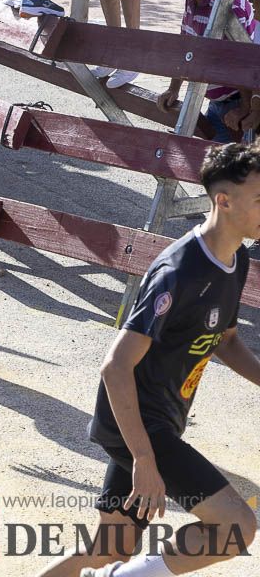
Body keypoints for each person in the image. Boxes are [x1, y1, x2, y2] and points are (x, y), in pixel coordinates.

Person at [38, 145, 260, 577]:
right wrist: (144, 460)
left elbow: (226, 339)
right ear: (224, 200)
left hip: (157, 421)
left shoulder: (238, 259)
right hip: (140, 426)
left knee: (109, 550)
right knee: (236, 527)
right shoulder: (177, 272)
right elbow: (115, 366)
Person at [155, 0, 260, 145]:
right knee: (214, 163)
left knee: (237, 166)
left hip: (236, 101)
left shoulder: (227, 5)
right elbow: (185, 44)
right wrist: (173, 88)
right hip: (218, 102)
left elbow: (243, 61)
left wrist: (247, 108)